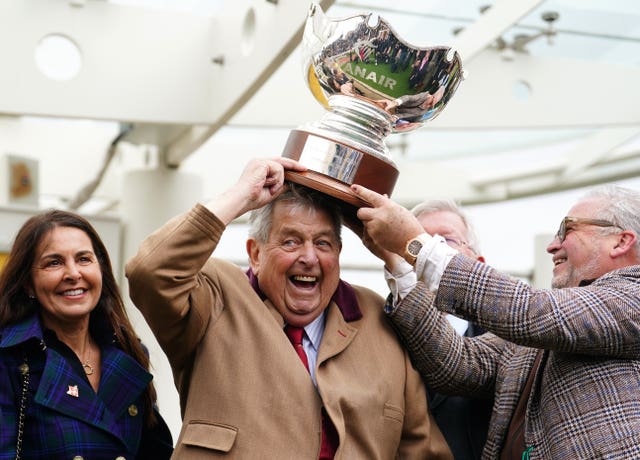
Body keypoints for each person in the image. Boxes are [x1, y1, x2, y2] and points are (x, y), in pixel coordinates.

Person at [125, 157, 453, 459]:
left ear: (338, 254)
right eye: (291, 241)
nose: (309, 258)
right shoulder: (216, 295)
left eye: (323, 244)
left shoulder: (378, 318)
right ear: (255, 253)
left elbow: (421, 450)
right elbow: (149, 271)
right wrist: (240, 196)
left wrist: (394, 255)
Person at [351, 183, 640, 459]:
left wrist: (417, 245)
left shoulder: (633, 296)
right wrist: (399, 263)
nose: (552, 246)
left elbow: (529, 310)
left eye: (567, 229)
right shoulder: (540, 335)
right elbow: (459, 364)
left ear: (621, 241)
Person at [0, 210, 173, 459]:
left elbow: (155, 452)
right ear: (29, 283)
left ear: (100, 270)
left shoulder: (128, 351)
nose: (73, 274)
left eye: (83, 259)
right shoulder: (10, 359)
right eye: (54, 262)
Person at [363, 199, 492, 460]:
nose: (428, 252)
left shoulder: (506, 341)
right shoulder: (374, 334)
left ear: (477, 263)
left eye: (445, 241)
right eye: (415, 241)